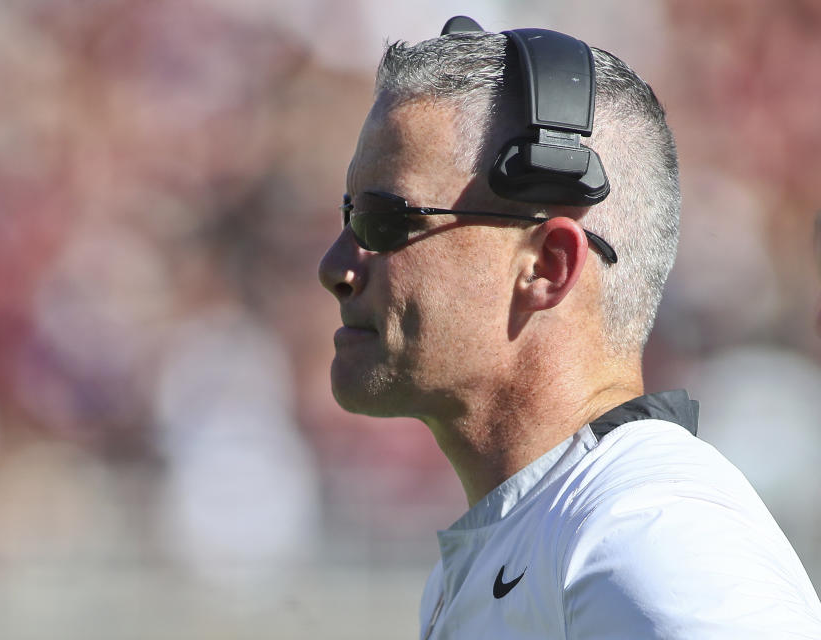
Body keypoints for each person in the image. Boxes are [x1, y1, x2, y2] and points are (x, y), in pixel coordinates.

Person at [317, 16, 821, 639]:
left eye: (384, 221)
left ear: (547, 266)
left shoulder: (648, 537)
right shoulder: (544, 537)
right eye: (350, 214)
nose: (335, 266)